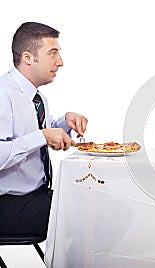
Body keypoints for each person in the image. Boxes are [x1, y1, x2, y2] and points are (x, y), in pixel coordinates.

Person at [0, 22, 88, 237]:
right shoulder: (2, 94)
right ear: (28, 58)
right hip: (7, 205)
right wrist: (42, 136)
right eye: (53, 53)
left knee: (96, 203)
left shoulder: (37, 98)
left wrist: (64, 123)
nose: (60, 62)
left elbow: (42, 133)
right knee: (89, 215)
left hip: (34, 196)